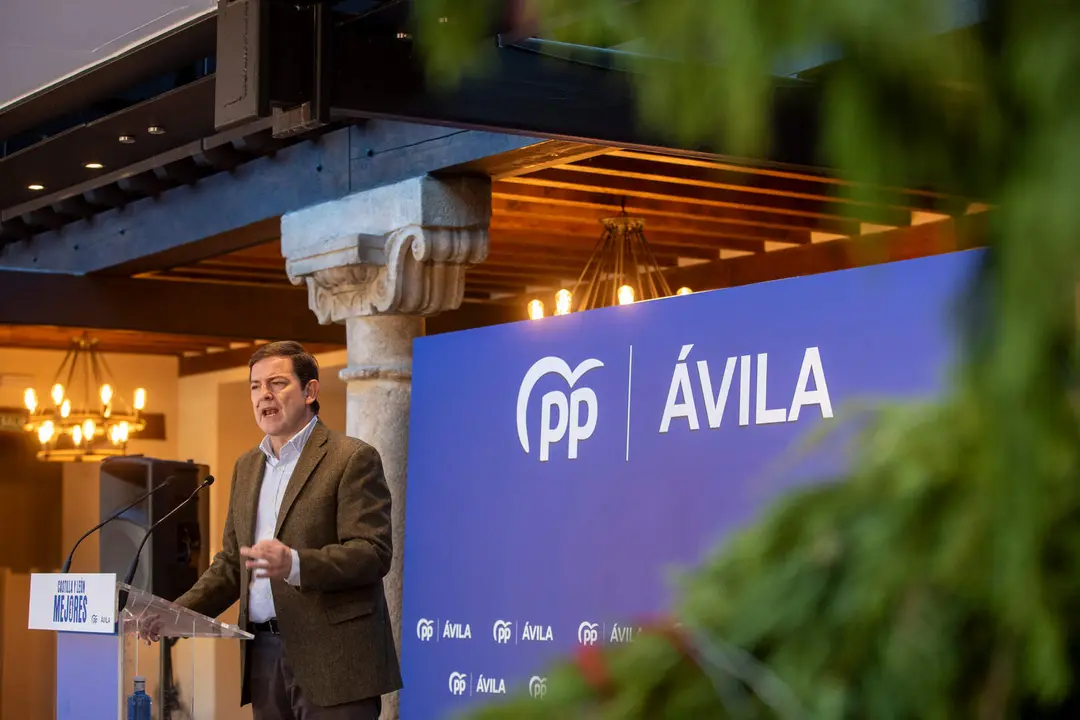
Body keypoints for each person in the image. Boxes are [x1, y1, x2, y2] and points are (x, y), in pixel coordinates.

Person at [168, 341, 402, 719]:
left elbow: (372, 552)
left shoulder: (351, 458)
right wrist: (175, 615)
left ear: (310, 391)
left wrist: (293, 563)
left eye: (277, 383)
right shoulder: (247, 467)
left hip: (334, 657)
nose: (264, 395)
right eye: (256, 386)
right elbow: (232, 564)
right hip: (263, 653)